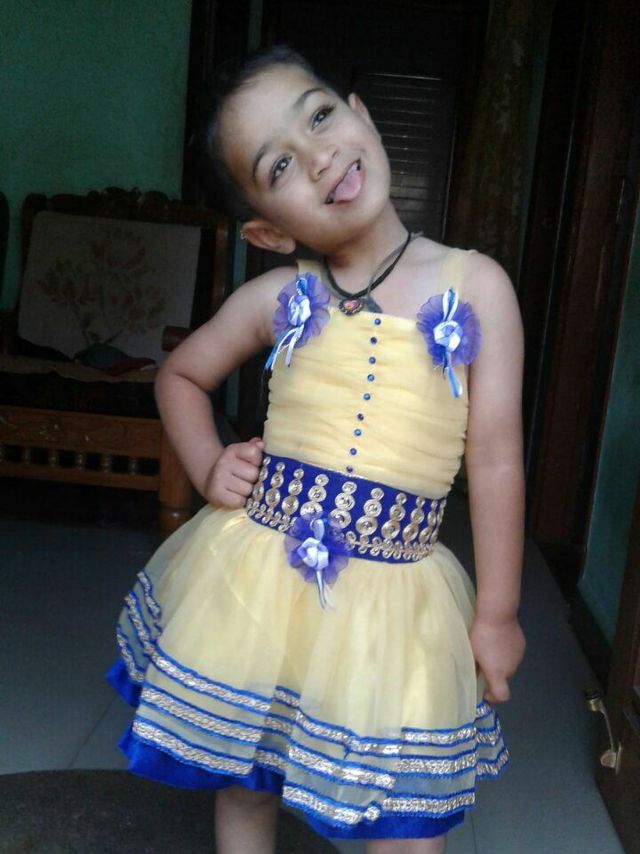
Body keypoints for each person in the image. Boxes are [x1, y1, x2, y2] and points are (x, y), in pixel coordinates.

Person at [108, 45, 525, 854]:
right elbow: (181, 375)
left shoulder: (478, 287)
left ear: (361, 113)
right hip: (263, 581)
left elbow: (497, 457)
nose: (320, 155)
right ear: (268, 230)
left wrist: (498, 612)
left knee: (401, 813)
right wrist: (208, 461)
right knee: (245, 775)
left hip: (398, 605)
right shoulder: (278, 295)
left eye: (322, 115)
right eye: (280, 165)